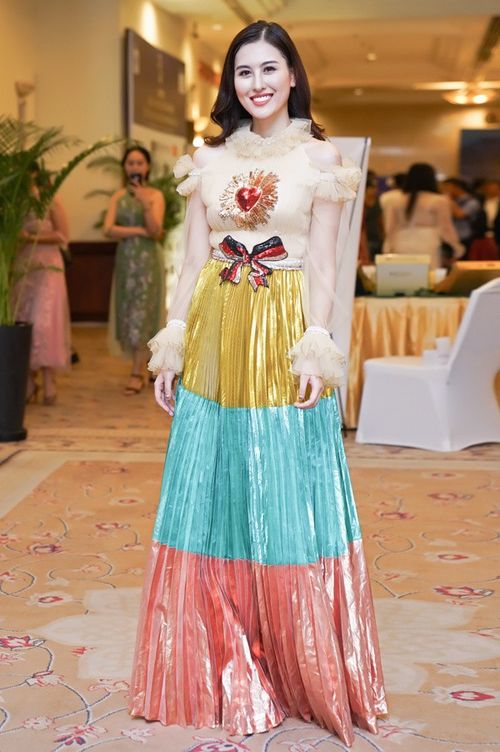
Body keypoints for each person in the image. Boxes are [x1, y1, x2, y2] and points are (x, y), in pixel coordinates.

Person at [129, 21, 387, 747]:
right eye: (244, 72)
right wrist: (171, 343)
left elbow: (326, 265)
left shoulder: (320, 158)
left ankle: (292, 653)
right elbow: (190, 261)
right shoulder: (205, 159)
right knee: (214, 481)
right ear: (230, 83)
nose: (258, 83)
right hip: (217, 322)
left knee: (283, 480)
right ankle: (219, 649)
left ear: (293, 75)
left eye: (270, 69)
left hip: (284, 325)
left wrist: (317, 346)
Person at [104, 146, 165, 395]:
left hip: (148, 263)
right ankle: (145, 365)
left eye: (139, 163)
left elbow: (155, 231)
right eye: (130, 163)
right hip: (126, 262)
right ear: (125, 167)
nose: (135, 167)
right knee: (128, 312)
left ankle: (137, 371)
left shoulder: (155, 196)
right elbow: (108, 229)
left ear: (147, 167)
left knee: (144, 312)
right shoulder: (118, 196)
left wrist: (144, 204)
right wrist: (139, 231)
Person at [13, 164, 71, 405]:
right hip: (24, 266)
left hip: (49, 266)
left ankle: (48, 380)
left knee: (45, 321)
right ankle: (28, 381)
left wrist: (31, 237)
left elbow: (63, 236)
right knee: (23, 317)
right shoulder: (15, 203)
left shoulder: (51, 200)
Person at [383, 162, 463, 268]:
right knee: (428, 276)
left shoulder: (395, 200)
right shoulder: (439, 200)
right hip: (428, 243)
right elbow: (445, 227)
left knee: (403, 275)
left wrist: (387, 246)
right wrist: (457, 248)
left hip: (401, 242)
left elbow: (390, 226)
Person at [441, 177, 482, 255]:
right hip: (448, 237)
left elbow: (460, 215)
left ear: (457, 187)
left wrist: (448, 198)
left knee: (462, 261)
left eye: (447, 188)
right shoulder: (448, 201)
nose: (444, 190)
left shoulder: (472, 201)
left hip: (464, 237)